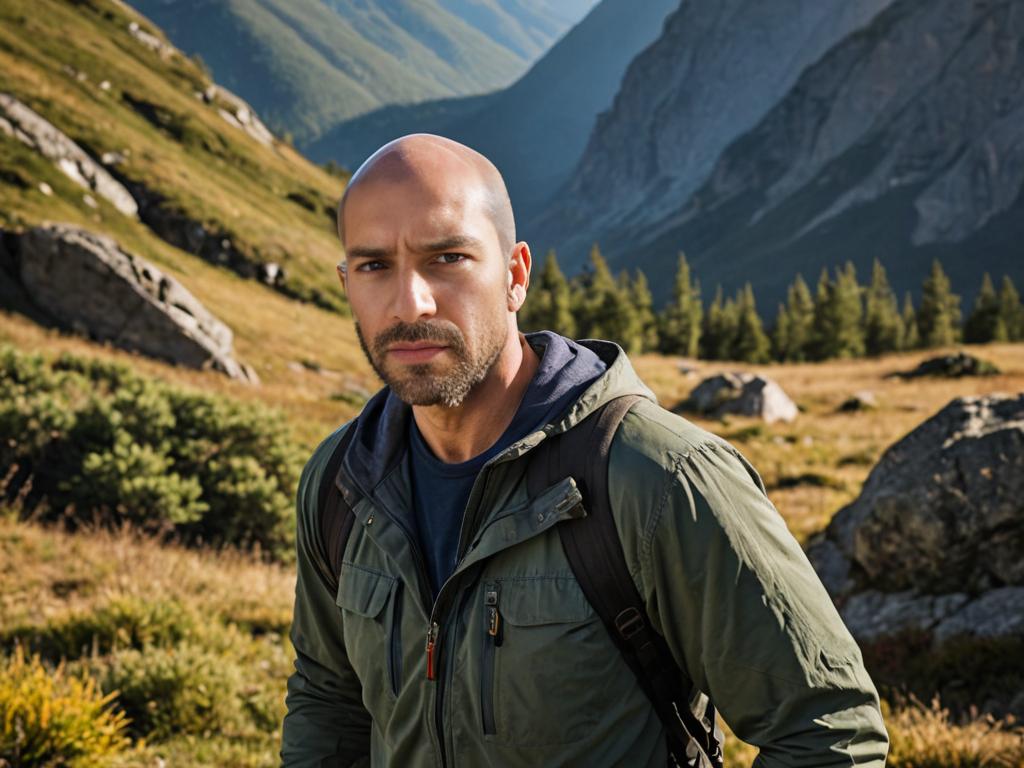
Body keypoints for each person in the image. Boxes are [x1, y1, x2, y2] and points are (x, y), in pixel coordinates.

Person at [280, 133, 888, 767]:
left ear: (515, 275)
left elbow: (828, 731)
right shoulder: (343, 480)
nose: (411, 302)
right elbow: (329, 700)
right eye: (375, 266)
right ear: (348, 282)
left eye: (448, 258)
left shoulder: (657, 477)